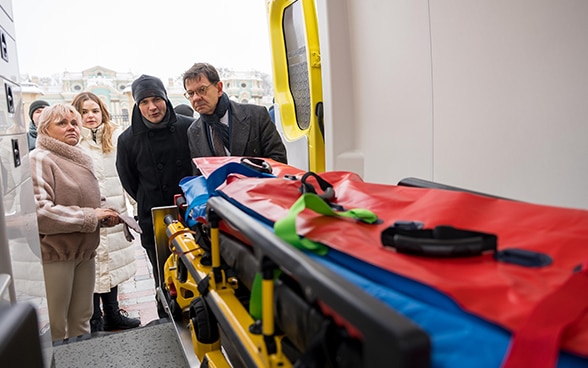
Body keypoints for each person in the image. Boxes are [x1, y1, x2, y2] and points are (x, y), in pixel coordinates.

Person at [30, 104, 121, 341]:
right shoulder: (40, 158)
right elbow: (40, 212)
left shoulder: (79, 157)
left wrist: (105, 213)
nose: (71, 128)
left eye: (73, 123)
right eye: (61, 123)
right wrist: (92, 217)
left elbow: (88, 197)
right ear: (45, 130)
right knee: (58, 324)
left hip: (85, 252)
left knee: (82, 318)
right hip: (57, 255)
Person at [116, 75, 193, 318]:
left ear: (166, 100)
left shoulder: (188, 127)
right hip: (155, 218)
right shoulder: (127, 140)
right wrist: (148, 198)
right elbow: (129, 181)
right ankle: (167, 319)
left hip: (189, 212)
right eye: (145, 102)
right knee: (163, 276)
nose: (152, 107)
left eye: (157, 99)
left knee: (194, 271)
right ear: (137, 106)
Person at [72, 92, 141, 332]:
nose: (90, 116)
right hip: (86, 217)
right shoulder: (71, 142)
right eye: (84, 112)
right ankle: (93, 318)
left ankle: (113, 314)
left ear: (103, 112)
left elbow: (127, 175)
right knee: (90, 267)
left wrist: (135, 207)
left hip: (114, 214)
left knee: (110, 265)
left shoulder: (115, 139)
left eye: (94, 111)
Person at [182, 62, 287, 173]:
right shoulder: (194, 131)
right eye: (190, 93)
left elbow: (279, 161)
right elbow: (198, 174)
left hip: (256, 188)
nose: (196, 98)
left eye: (202, 90)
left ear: (219, 88)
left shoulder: (256, 116)